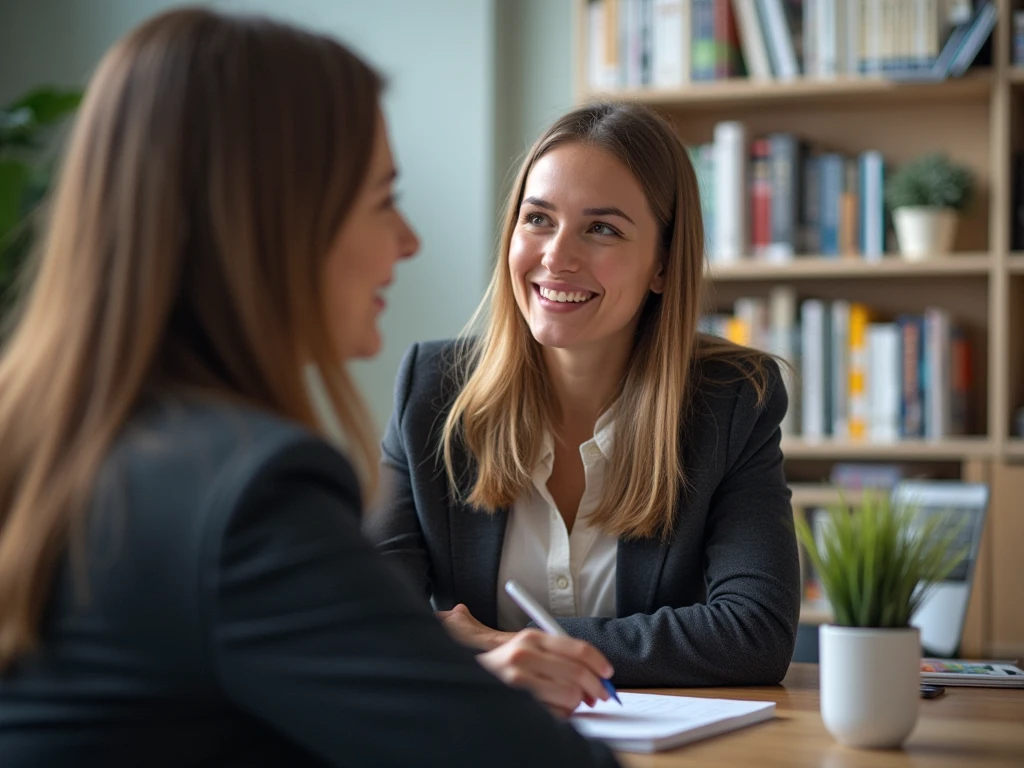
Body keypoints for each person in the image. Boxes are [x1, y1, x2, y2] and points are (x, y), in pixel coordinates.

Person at [0, 9, 622, 767]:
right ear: (273, 223)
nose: (410, 240)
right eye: (383, 197)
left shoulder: (51, 439)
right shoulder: (243, 496)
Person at [368, 102, 801, 692]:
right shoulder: (432, 389)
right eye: (538, 219)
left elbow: (755, 633)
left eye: (602, 229)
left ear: (663, 265)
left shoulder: (732, 402)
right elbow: (366, 619)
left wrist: (514, 648)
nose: (557, 257)